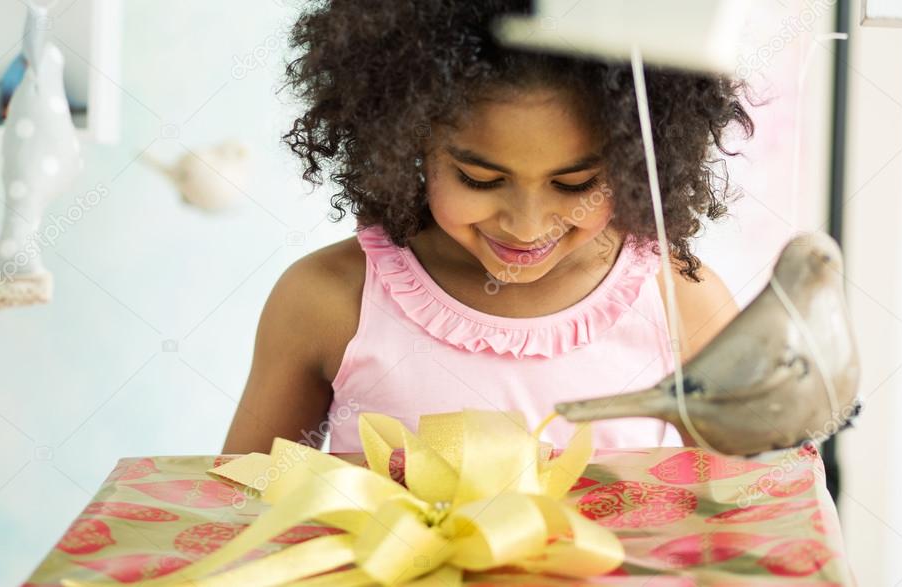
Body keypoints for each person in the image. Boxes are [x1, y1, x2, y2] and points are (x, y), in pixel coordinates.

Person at [222, 0, 753, 455]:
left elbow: (753, 510)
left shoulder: (679, 301)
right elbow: (243, 506)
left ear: (640, 158)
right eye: (479, 178)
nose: (526, 226)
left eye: (574, 184)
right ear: (406, 139)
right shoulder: (328, 301)